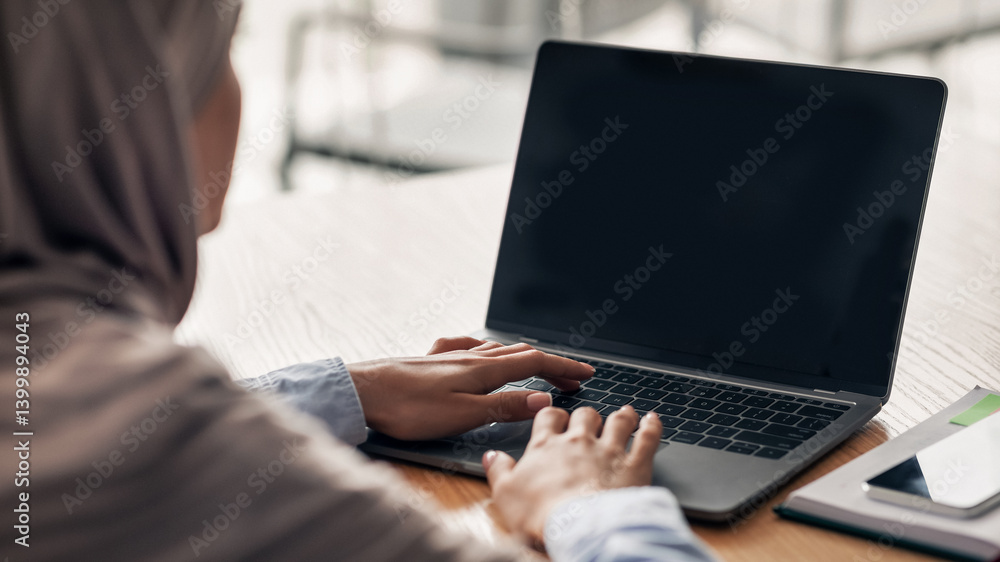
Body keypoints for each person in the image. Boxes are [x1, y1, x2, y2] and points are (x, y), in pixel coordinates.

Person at [0, 1, 717, 560]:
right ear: (134, 106)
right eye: (224, 54)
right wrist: (588, 509)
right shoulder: (144, 441)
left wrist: (340, 392)